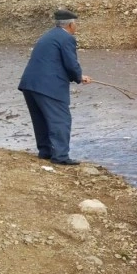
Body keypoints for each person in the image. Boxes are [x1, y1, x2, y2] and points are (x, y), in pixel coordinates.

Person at [18, 9, 92, 165]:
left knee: (41, 120)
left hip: (30, 84)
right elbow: (71, 64)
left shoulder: (49, 35)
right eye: (76, 24)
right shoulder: (66, 38)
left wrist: (78, 76)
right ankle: (60, 157)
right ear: (71, 25)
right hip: (49, 86)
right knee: (60, 120)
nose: (76, 27)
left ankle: (45, 152)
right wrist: (79, 77)